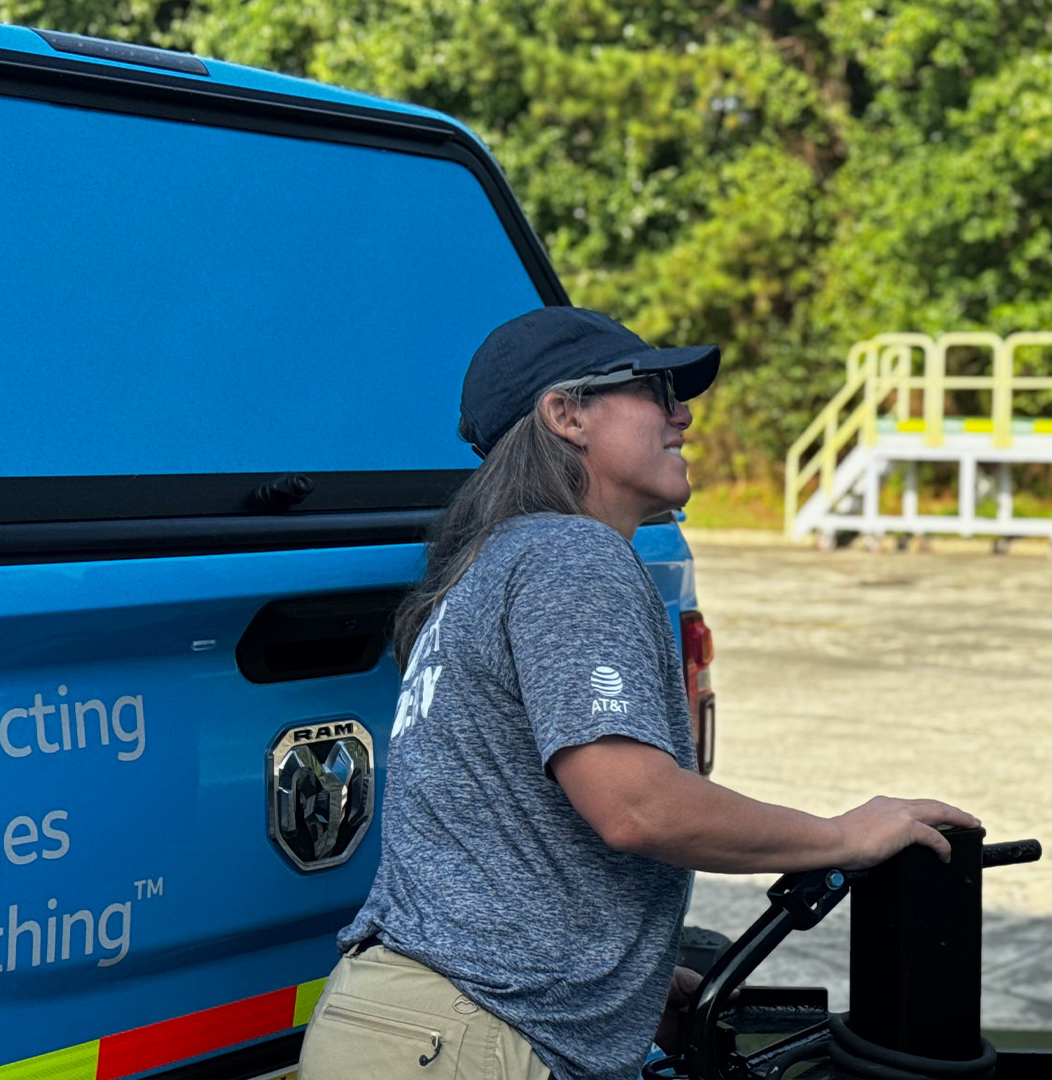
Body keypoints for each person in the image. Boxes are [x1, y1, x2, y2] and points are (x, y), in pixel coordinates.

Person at [298, 307, 978, 1080]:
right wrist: (843, 838)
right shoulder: (572, 555)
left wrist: (629, 993)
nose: (683, 413)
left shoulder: (493, 565)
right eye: (655, 390)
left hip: (415, 1029)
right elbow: (636, 805)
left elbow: (502, 839)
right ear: (566, 415)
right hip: (462, 1041)